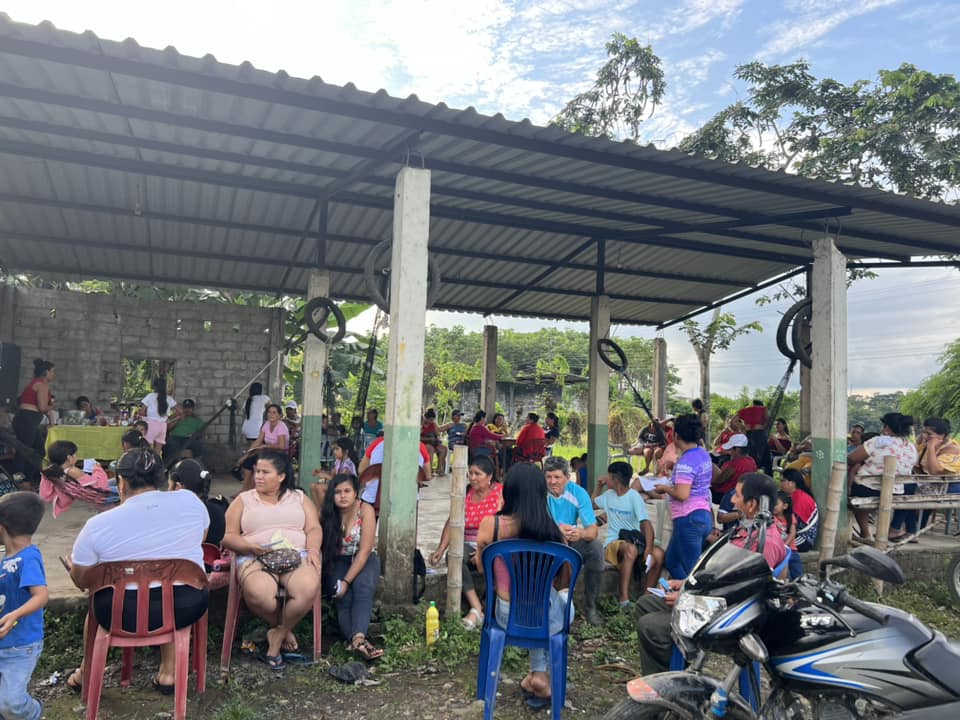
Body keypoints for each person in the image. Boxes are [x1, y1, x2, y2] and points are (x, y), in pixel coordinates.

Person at [66, 448, 209, 693]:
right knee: (168, 582)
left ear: (121, 482)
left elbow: (82, 581)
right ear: (162, 478)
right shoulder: (191, 502)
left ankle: (86, 673)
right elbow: (199, 539)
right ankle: (169, 673)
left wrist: (74, 568)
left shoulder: (97, 525)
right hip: (186, 606)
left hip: (119, 614)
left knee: (97, 600)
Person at [636, 472, 786, 675]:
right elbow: (723, 576)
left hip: (725, 617)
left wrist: (686, 598)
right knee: (645, 603)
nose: (732, 500)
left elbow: (741, 594)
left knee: (649, 626)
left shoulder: (764, 542)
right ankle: (670, 671)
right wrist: (685, 584)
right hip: (710, 601)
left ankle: (667, 684)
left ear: (752, 505)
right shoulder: (748, 531)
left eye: (737, 495)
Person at [475, 464, 571, 709]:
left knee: (546, 609)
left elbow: (482, 570)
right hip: (544, 615)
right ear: (541, 493)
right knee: (564, 605)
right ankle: (539, 676)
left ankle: (538, 676)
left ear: (508, 491)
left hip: (506, 616)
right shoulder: (552, 531)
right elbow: (562, 578)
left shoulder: (491, 525)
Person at [221, 450, 322, 668]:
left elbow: (314, 527)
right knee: (259, 593)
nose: (258, 476)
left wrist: (313, 549)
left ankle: (276, 635)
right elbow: (228, 536)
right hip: (255, 557)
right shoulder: (243, 500)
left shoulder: (299, 498)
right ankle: (284, 629)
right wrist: (249, 546)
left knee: (307, 587)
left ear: (281, 476)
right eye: (257, 471)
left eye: (265, 472)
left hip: (296, 554)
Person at [429, 456, 502, 630]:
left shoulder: (500, 493)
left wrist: (483, 550)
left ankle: (486, 608)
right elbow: (452, 521)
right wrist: (440, 549)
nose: (473, 478)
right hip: (469, 545)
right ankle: (476, 607)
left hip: (493, 545)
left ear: (489, 476)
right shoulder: (466, 493)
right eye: (470, 473)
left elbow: (503, 525)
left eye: (478, 474)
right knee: (454, 556)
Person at [320, 474, 383, 660]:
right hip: (338, 560)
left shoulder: (365, 509)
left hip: (364, 558)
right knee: (342, 597)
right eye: (337, 492)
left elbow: (364, 551)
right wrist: (343, 584)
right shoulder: (328, 513)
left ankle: (358, 639)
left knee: (363, 588)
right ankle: (358, 642)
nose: (342, 496)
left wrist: (347, 580)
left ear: (356, 493)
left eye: (347, 491)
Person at [648, 414, 714, 582]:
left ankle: (695, 594)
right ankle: (681, 590)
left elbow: (682, 494)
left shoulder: (686, 461)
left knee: (693, 572)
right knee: (672, 561)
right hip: (703, 514)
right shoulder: (703, 454)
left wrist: (665, 488)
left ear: (676, 436)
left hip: (689, 518)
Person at [0, 492, 48, 720]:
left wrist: (14, 615)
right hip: (4, 641)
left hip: (20, 646)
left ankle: (34, 712)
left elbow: (41, 595)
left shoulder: (28, 557)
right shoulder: (6, 559)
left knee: (13, 704)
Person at [543, 456, 604, 625]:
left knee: (595, 549)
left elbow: (593, 530)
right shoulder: (539, 492)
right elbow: (532, 524)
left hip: (571, 540)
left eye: (557, 477)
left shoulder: (578, 493)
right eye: (548, 477)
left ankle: (590, 606)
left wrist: (580, 533)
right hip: (545, 540)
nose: (552, 482)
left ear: (567, 477)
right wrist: (555, 531)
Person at [592, 461, 658, 605]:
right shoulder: (608, 495)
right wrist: (599, 486)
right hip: (613, 542)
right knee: (631, 549)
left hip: (632, 539)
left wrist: (648, 550)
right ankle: (624, 599)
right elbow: (592, 504)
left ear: (615, 479)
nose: (606, 478)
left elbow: (646, 524)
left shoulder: (634, 497)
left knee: (659, 554)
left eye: (608, 476)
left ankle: (646, 597)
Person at [848, 412, 918, 543]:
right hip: (896, 492)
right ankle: (890, 530)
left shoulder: (880, 441)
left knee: (855, 489)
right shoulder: (910, 446)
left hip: (870, 490)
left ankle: (865, 533)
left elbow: (852, 458)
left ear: (887, 428)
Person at [39, 440, 117, 517]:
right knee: (118, 480)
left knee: (115, 481)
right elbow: (101, 485)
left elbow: (45, 495)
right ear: (69, 458)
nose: (77, 457)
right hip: (106, 496)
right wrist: (98, 469)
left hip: (94, 498)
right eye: (75, 454)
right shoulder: (73, 471)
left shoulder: (54, 474)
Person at [169, 459, 227, 548]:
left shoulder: (174, 515)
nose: (168, 490)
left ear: (178, 487)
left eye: (169, 485)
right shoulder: (217, 510)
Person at [12, 359, 54, 478]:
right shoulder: (42, 384)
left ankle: (28, 477)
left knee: (39, 450)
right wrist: (51, 406)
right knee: (24, 451)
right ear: (46, 372)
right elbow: (42, 407)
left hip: (26, 419)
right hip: (27, 419)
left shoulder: (36, 383)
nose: (53, 374)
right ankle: (17, 480)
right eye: (52, 371)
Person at [917, 417, 960, 530]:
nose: (924, 436)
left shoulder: (952, 449)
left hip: (950, 486)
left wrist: (931, 448)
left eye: (929, 434)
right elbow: (917, 466)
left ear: (942, 436)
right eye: (924, 432)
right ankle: (910, 527)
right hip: (931, 483)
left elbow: (934, 471)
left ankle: (913, 528)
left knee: (911, 492)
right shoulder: (925, 444)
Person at [239, 404, 289, 490]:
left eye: (274, 413)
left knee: (257, 464)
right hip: (267, 452)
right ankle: (245, 489)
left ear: (279, 415)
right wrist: (247, 454)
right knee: (247, 462)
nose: (271, 415)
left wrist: (266, 446)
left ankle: (249, 489)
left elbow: (282, 446)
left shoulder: (281, 426)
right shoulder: (266, 424)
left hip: (279, 454)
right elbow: (258, 441)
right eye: (269, 412)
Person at [311, 437, 359, 509]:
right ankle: (319, 510)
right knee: (313, 486)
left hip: (346, 488)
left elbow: (339, 480)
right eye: (334, 449)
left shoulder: (348, 464)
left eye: (337, 449)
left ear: (346, 451)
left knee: (319, 487)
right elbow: (332, 474)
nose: (334, 452)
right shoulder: (338, 461)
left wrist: (325, 475)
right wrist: (321, 472)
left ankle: (326, 510)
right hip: (338, 486)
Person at [711, 434, 758, 504]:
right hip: (743, 494)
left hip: (725, 495)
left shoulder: (736, 463)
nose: (730, 452)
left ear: (737, 449)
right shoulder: (752, 461)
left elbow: (720, 480)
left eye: (731, 449)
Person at [779, 468, 818, 551]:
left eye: (783, 481)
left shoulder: (800, 498)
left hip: (804, 539)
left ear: (792, 483)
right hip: (796, 534)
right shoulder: (793, 495)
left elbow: (793, 524)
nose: (780, 483)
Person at [140, 377, 176, 454]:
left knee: (146, 448)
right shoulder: (169, 398)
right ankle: (156, 461)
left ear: (154, 386)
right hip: (163, 426)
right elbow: (180, 411)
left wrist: (145, 420)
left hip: (151, 424)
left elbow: (142, 412)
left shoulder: (150, 396)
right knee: (158, 450)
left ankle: (147, 461)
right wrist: (169, 418)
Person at [737, 400, 771, 475]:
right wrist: (763, 426)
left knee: (749, 455)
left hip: (748, 434)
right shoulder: (763, 409)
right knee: (761, 457)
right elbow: (768, 418)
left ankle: (748, 473)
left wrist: (743, 428)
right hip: (758, 433)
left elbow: (734, 419)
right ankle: (757, 474)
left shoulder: (745, 410)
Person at [774, 491, 803, 579]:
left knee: (798, 573)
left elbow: (792, 533)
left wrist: (785, 545)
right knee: (785, 575)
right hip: (778, 552)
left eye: (776, 504)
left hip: (791, 549)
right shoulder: (771, 518)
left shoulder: (790, 517)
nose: (773, 506)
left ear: (785, 506)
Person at [420, 409, 446, 477]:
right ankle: (429, 470)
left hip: (433, 443)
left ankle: (439, 469)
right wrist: (428, 439)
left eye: (433, 420)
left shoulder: (433, 424)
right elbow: (418, 438)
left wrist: (438, 440)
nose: (431, 421)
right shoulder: (421, 425)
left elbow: (437, 434)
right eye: (430, 420)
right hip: (424, 444)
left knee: (443, 449)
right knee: (430, 449)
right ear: (426, 418)